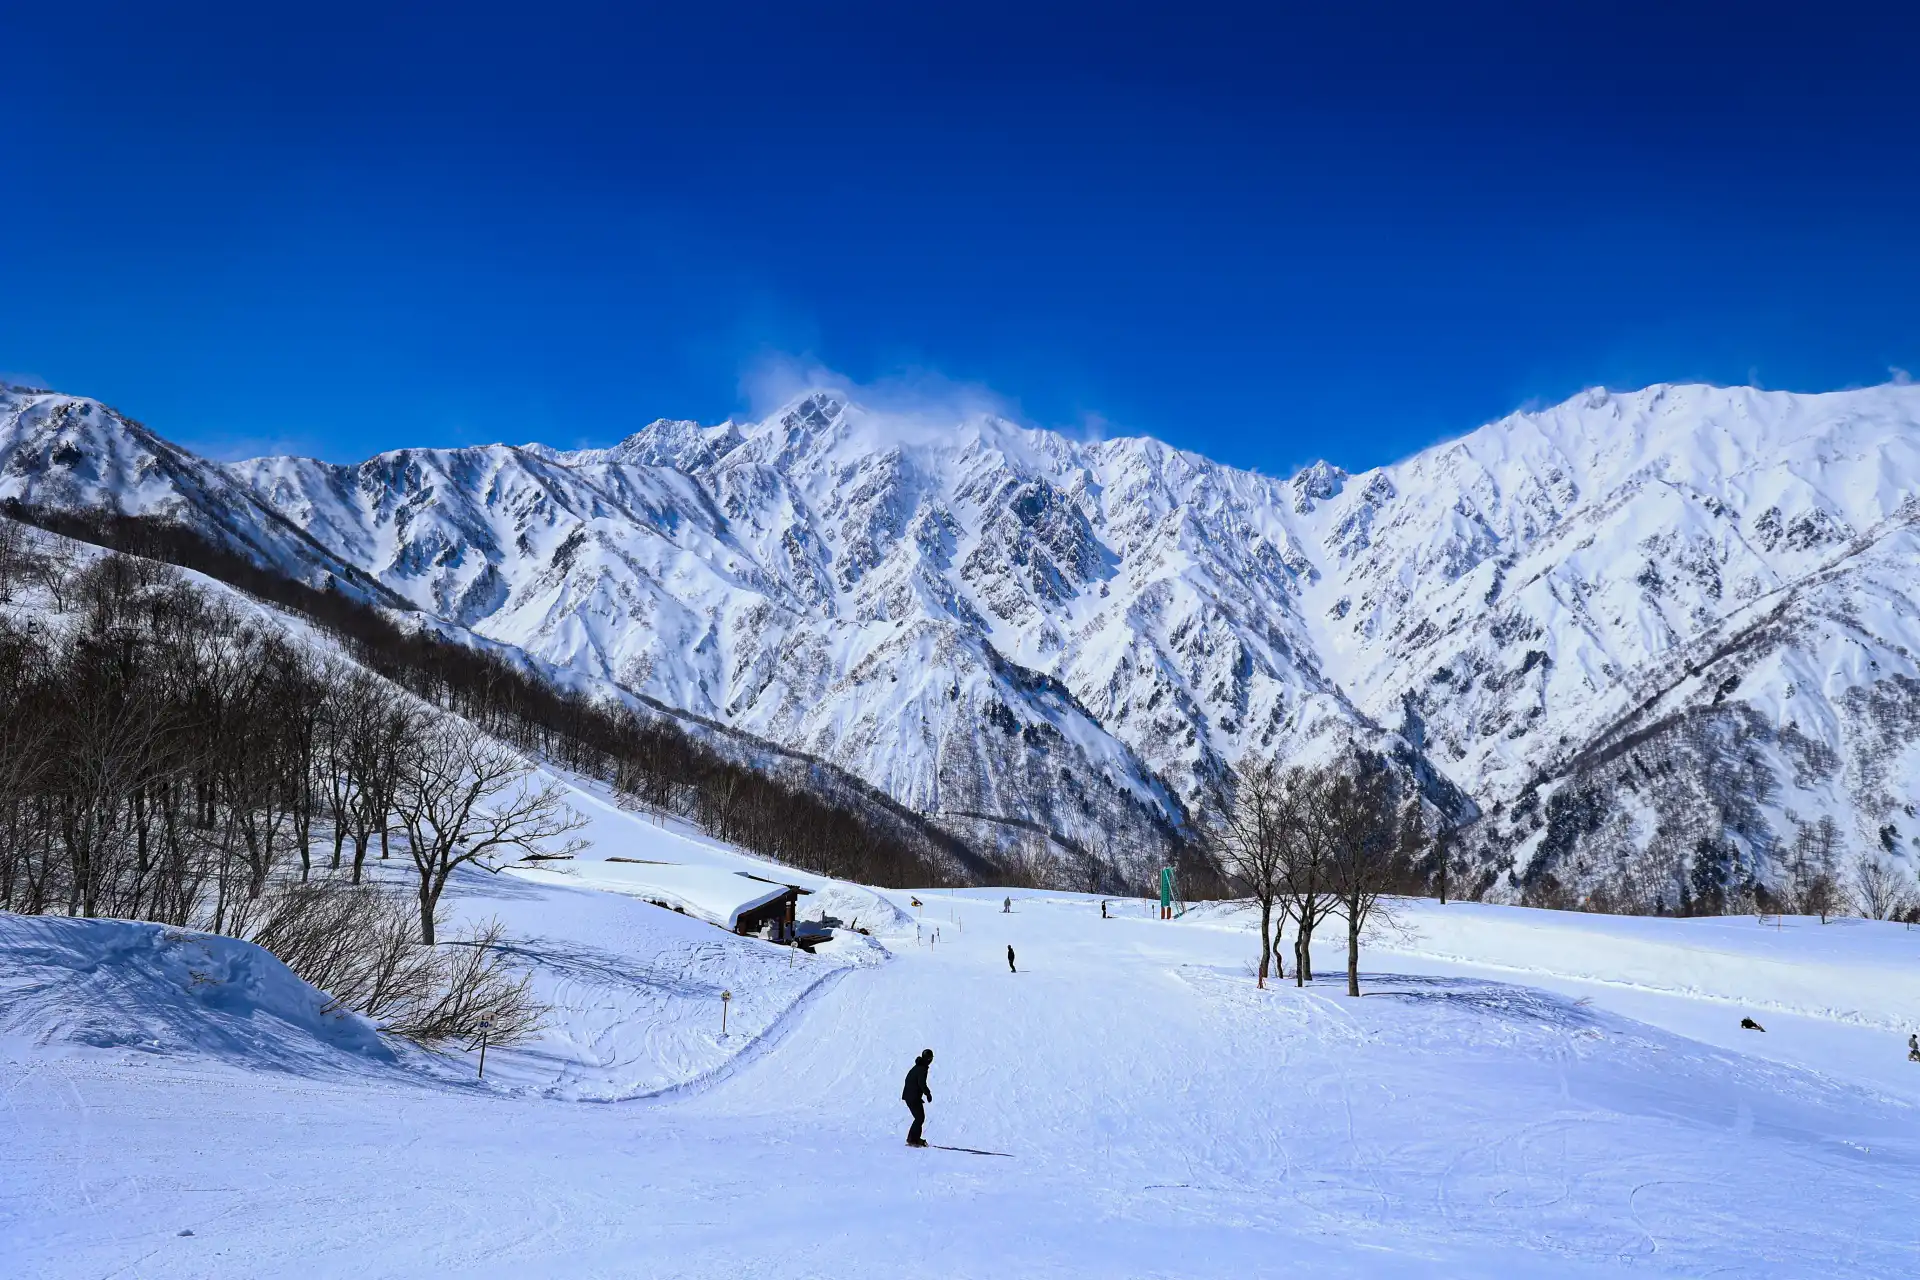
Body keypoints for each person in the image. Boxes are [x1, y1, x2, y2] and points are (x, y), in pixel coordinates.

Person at [902, 1049, 934, 1146]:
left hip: (910, 1095)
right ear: (929, 1059)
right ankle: (912, 1139)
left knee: (919, 1117)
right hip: (912, 1096)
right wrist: (928, 1094)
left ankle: (913, 1138)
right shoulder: (922, 1069)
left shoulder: (918, 1067)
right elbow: (921, 1083)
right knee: (919, 1118)